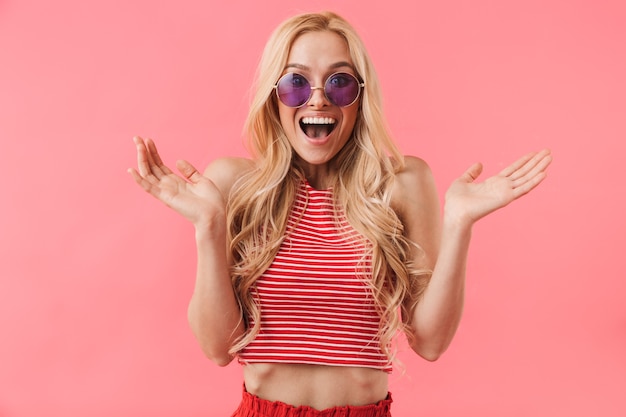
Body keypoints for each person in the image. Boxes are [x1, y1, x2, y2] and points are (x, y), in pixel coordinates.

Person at [129, 11, 552, 417]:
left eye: (340, 83)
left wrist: (459, 223)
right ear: (274, 96)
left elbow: (431, 342)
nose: (318, 98)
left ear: (360, 96)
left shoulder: (402, 183)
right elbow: (217, 348)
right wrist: (208, 226)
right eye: (296, 82)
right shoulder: (235, 183)